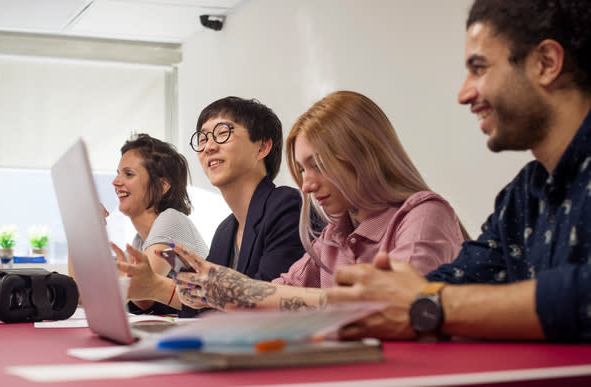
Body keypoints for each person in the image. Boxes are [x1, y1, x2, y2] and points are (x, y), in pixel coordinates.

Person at [328, 0, 591, 342]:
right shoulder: (522, 198)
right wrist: (384, 294)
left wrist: (426, 306)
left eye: (479, 68)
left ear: (546, 63)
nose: (464, 93)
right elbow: (454, 285)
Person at [170, 90, 465, 311]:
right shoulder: (333, 234)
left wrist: (241, 292)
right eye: (301, 169)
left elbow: (396, 307)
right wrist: (228, 290)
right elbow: (282, 291)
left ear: (364, 156)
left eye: (319, 165)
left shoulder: (424, 214)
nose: (307, 184)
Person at [115, 97, 305, 313]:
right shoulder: (225, 231)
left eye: (223, 133)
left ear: (262, 147)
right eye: (202, 138)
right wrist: (150, 287)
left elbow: (268, 301)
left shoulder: (286, 206)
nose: (208, 147)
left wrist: (156, 285)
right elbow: (202, 308)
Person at [108, 133, 208, 315]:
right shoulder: (140, 240)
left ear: (162, 186)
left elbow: (142, 296)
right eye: (118, 174)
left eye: (128, 174)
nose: (115, 182)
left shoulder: (170, 219)